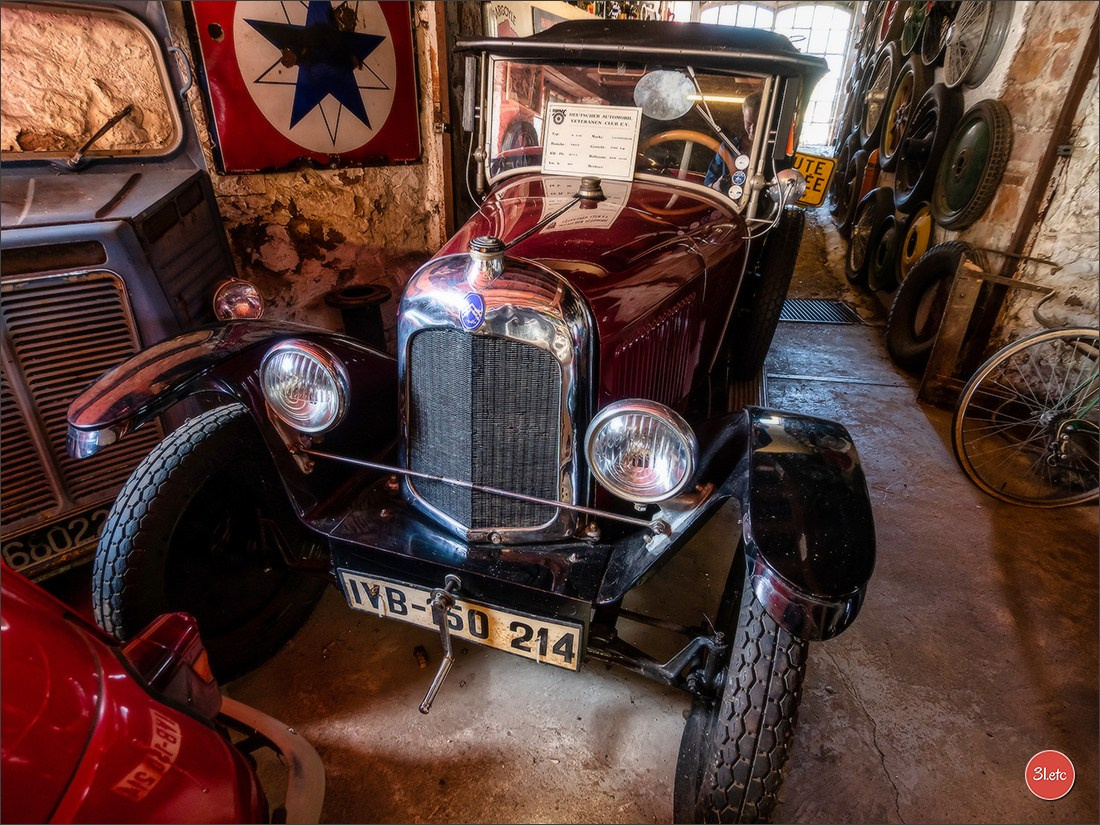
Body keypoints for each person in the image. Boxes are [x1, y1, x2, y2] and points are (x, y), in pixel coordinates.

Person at [703, 90, 760, 190]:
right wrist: (715, 186)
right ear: (743, 116)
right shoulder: (727, 147)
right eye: (748, 123)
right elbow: (708, 181)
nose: (752, 129)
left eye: (758, 123)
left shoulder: (772, 153)